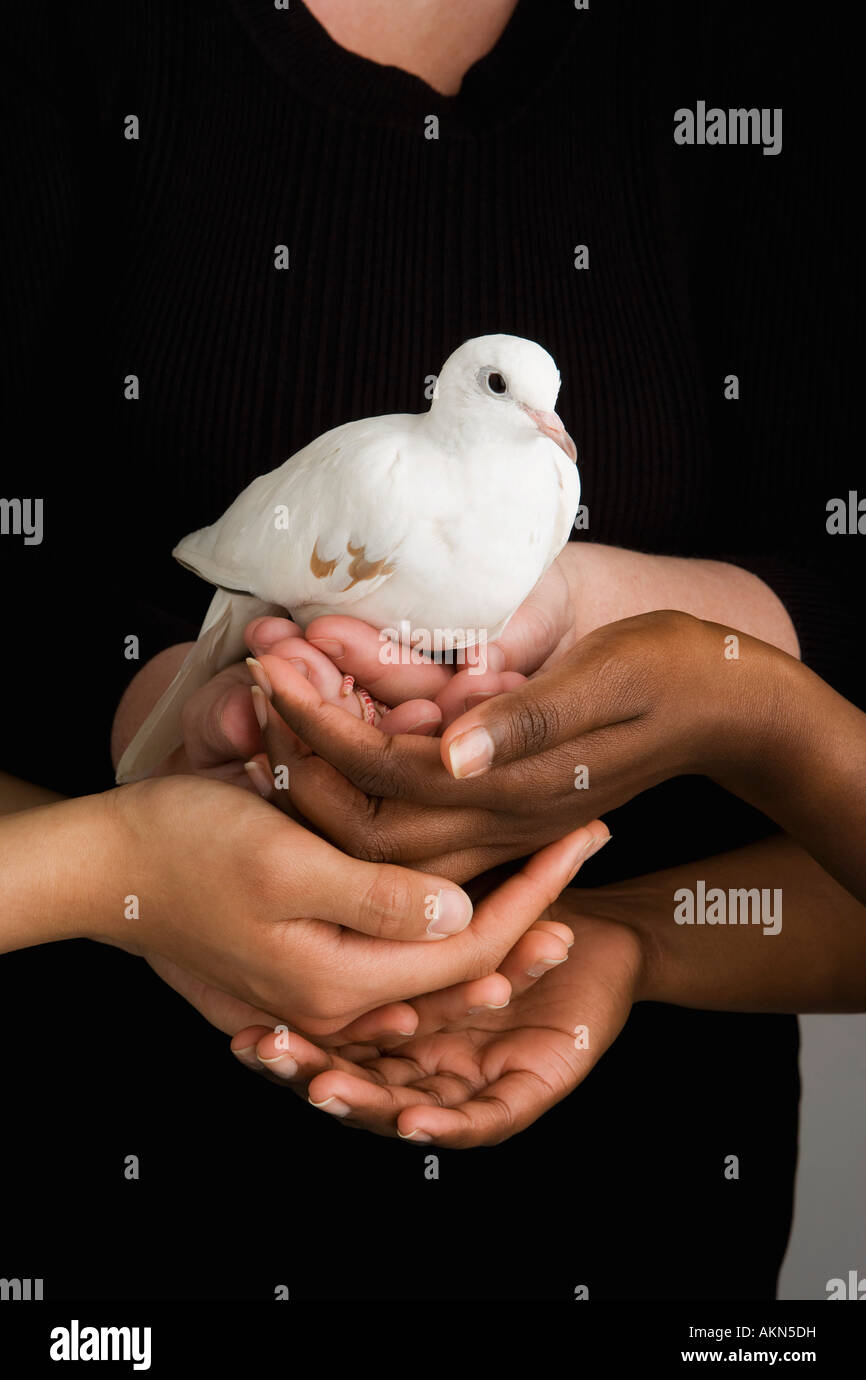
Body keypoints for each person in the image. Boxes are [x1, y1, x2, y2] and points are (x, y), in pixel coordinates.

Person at [1, 0, 859, 1300]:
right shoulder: (69, 46)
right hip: (120, 1233)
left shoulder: (771, 53)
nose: (549, 429)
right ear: (464, 391)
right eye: (515, 398)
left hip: (648, 1220)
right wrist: (147, 803)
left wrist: (643, 655)